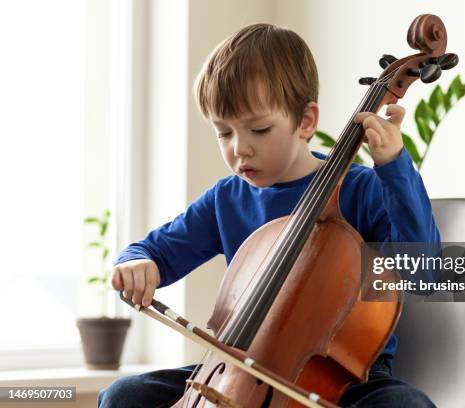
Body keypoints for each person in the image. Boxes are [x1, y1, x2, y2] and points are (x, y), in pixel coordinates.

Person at [99, 23, 439, 408]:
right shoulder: (227, 198)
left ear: (306, 121)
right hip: (237, 367)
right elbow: (155, 251)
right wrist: (136, 263)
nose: (240, 149)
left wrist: (394, 167)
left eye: (258, 130)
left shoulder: (361, 191)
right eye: (224, 133)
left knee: (404, 405)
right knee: (123, 396)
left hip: (344, 377)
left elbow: (423, 273)